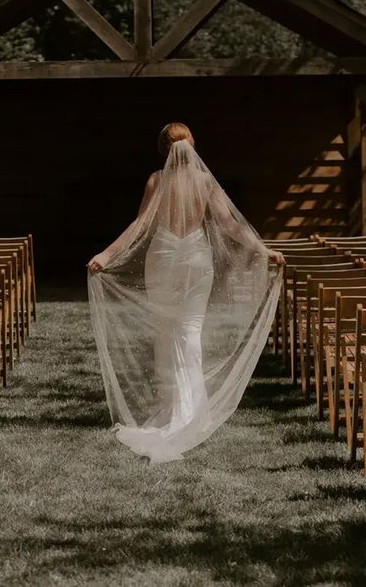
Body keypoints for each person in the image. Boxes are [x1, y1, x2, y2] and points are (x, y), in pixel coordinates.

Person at [87, 122, 285, 462]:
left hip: (163, 257)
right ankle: (193, 411)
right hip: (195, 258)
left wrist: (107, 254)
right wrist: (262, 249)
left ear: (164, 150)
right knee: (189, 332)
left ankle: (175, 407)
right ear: (192, 146)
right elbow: (231, 225)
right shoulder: (204, 182)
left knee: (167, 333)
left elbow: (140, 226)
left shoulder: (157, 181)